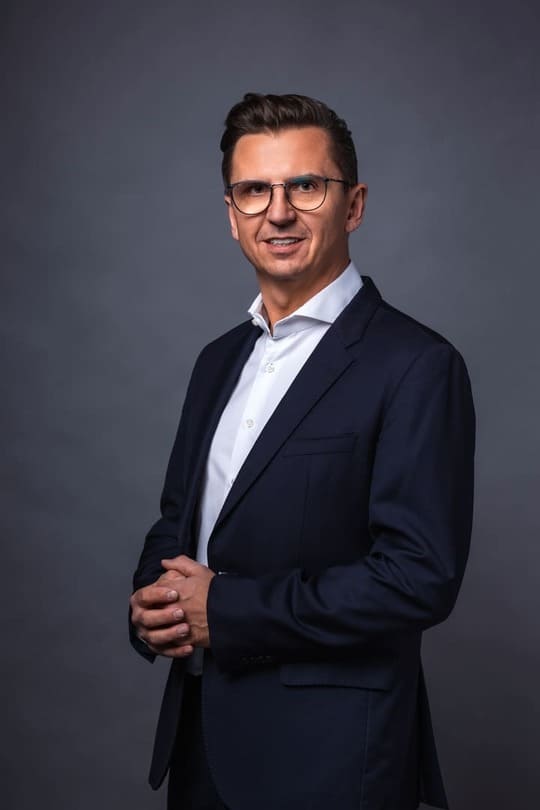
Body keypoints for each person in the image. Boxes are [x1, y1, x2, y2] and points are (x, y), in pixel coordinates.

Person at [129, 92, 475, 810]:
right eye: (254, 190)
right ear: (232, 214)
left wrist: (226, 608)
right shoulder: (216, 361)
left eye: (306, 186)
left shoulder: (415, 364)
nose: (278, 212)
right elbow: (179, 524)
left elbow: (417, 578)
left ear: (354, 205)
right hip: (201, 752)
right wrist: (153, 603)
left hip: (331, 764)